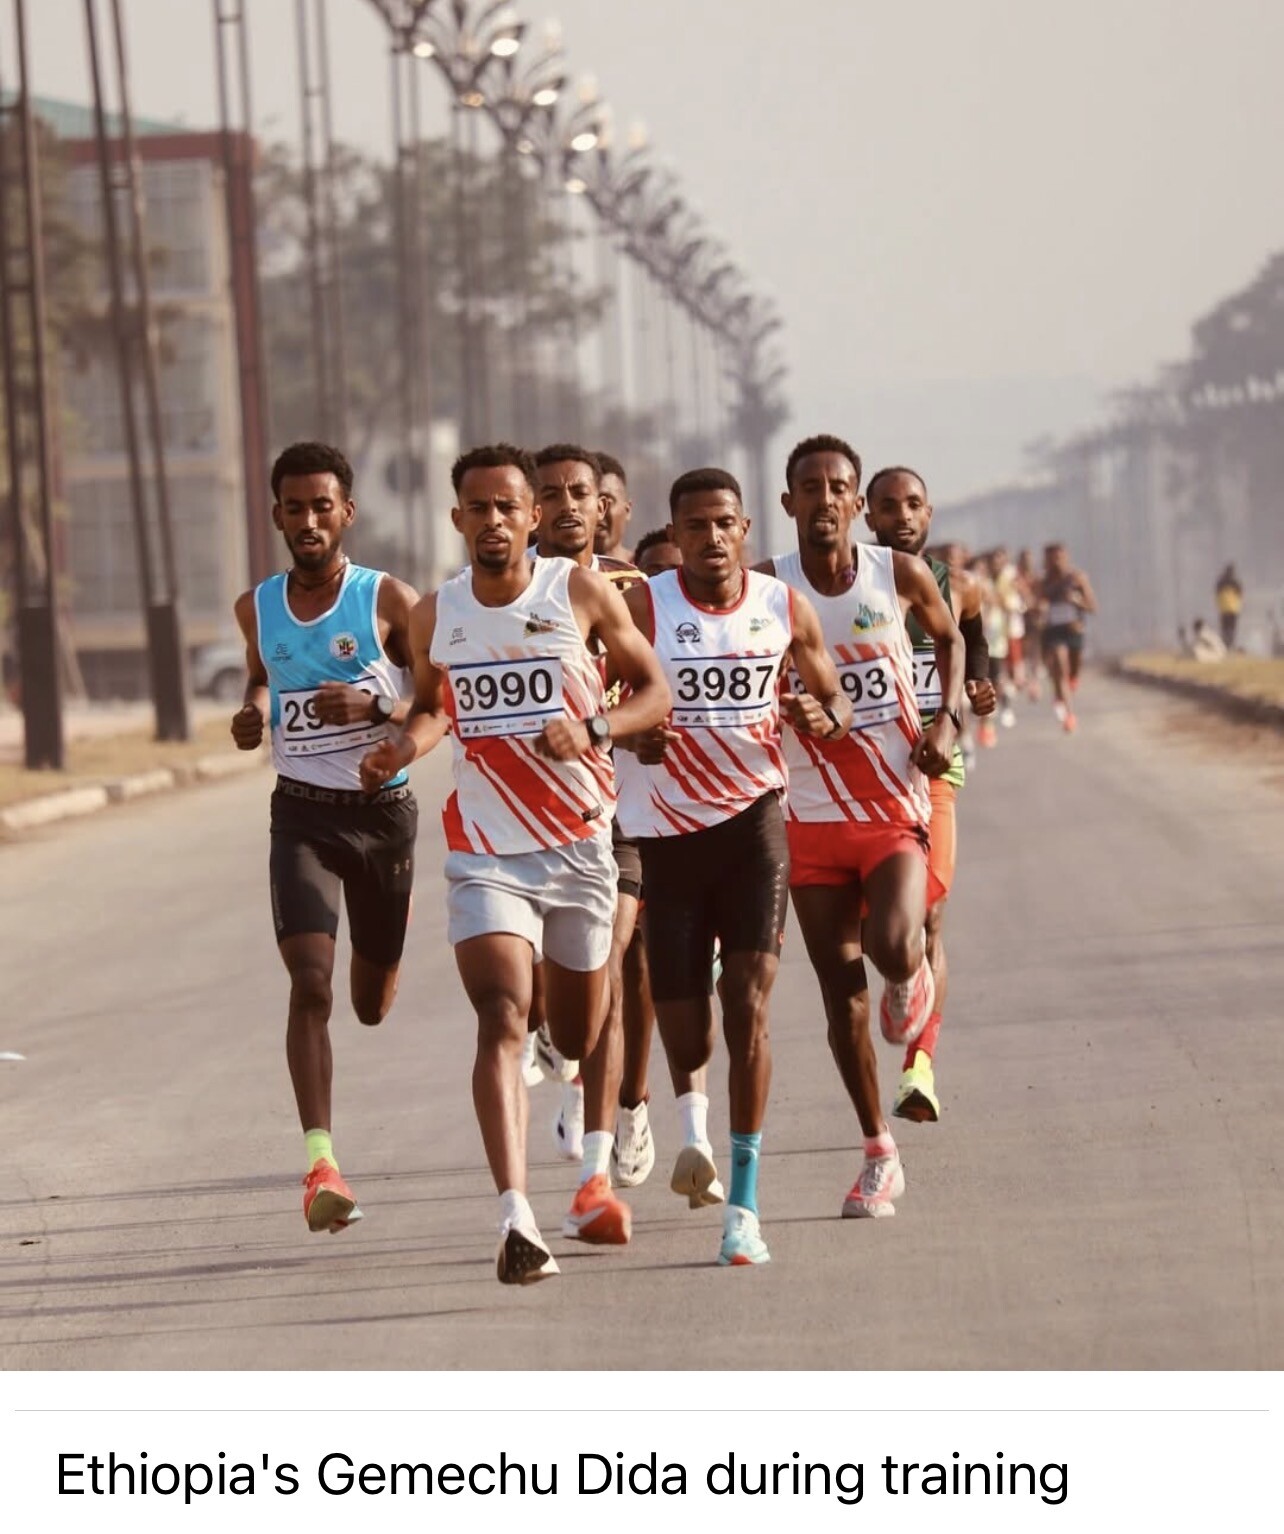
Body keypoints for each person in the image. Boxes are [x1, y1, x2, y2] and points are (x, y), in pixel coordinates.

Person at [360, 443, 670, 1284]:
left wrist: (595, 729)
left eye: (508, 508)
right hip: (487, 851)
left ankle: (594, 1175)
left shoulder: (579, 593)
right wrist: (400, 750)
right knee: (501, 1015)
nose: (493, 521)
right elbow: (434, 709)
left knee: (577, 1031)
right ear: (456, 519)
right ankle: (516, 1218)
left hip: (580, 847)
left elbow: (654, 692)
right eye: (478, 509)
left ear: (533, 517)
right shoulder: (437, 614)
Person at [615, 467, 852, 1266]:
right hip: (666, 839)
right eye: (695, 525)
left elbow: (836, 701)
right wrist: (628, 733)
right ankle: (692, 1107)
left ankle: (745, 1208)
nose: (711, 538)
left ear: (745, 529)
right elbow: (590, 697)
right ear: (675, 534)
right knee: (688, 1036)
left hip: (753, 826)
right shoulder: (645, 607)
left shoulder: (783, 606)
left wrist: (821, 715)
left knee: (749, 1003)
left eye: (724, 524)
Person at [761, 439, 963, 1221]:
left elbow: (951, 639)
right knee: (841, 999)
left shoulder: (897, 574)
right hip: (808, 816)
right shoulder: (767, 589)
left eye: (838, 487)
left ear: (855, 503)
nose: (824, 499)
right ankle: (879, 1151)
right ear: (788, 503)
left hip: (892, 806)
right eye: (808, 488)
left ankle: (910, 979)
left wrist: (946, 722)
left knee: (894, 945)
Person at [229, 441, 425, 1235]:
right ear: (277, 515)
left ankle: (384, 950)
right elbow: (260, 672)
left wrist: (376, 709)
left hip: (382, 818)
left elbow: (437, 703)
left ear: (347, 512)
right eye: (294, 508)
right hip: (303, 815)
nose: (308, 521)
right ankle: (321, 1166)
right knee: (310, 985)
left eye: (322, 507)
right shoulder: (256, 606)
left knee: (369, 1004)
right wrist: (253, 711)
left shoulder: (389, 600)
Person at [529, 443, 652, 1211]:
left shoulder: (633, 589)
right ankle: (561, 1045)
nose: (572, 506)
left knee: (615, 960)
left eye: (583, 492)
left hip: (622, 807)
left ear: (603, 505)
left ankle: (613, 1132)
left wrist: (615, 727)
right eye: (554, 494)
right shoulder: (499, 590)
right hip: (528, 819)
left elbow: (660, 691)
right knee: (552, 977)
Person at [864, 465, 996, 1126]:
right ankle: (900, 972)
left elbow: (975, 645)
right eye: (888, 507)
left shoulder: (960, 586)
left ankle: (920, 1068)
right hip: (861, 776)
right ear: (868, 517)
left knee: (932, 913)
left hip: (933, 767)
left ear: (930, 513)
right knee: (882, 925)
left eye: (913, 504)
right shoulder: (848, 585)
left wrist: (978, 688)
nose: (902, 517)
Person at [1037, 543, 1097, 732]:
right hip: (1054, 630)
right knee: (1060, 666)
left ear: (1066, 557)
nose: (1056, 562)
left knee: (1073, 670)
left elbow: (1093, 607)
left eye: (1059, 557)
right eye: (1051, 558)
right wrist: (1040, 609)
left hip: (1073, 629)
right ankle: (1070, 714)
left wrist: (1076, 601)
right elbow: (1036, 606)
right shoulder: (1044, 582)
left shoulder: (1077, 578)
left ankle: (1069, 685)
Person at [593, 450, 635, 563]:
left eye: (607, 501)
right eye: (590, 501)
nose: (599, 511)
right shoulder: (557, 571)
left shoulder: (650, 568)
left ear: (628, 510)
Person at [1215, 564, 1243, 650]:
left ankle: (1225, 645)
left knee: (1224, 628)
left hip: (1224, 609)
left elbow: (1217, 594)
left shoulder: (1221, 582)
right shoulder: (1236, 582)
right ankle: (1230, 644)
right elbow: (1240, 595)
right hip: (1233, 609)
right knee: (1231, 629)